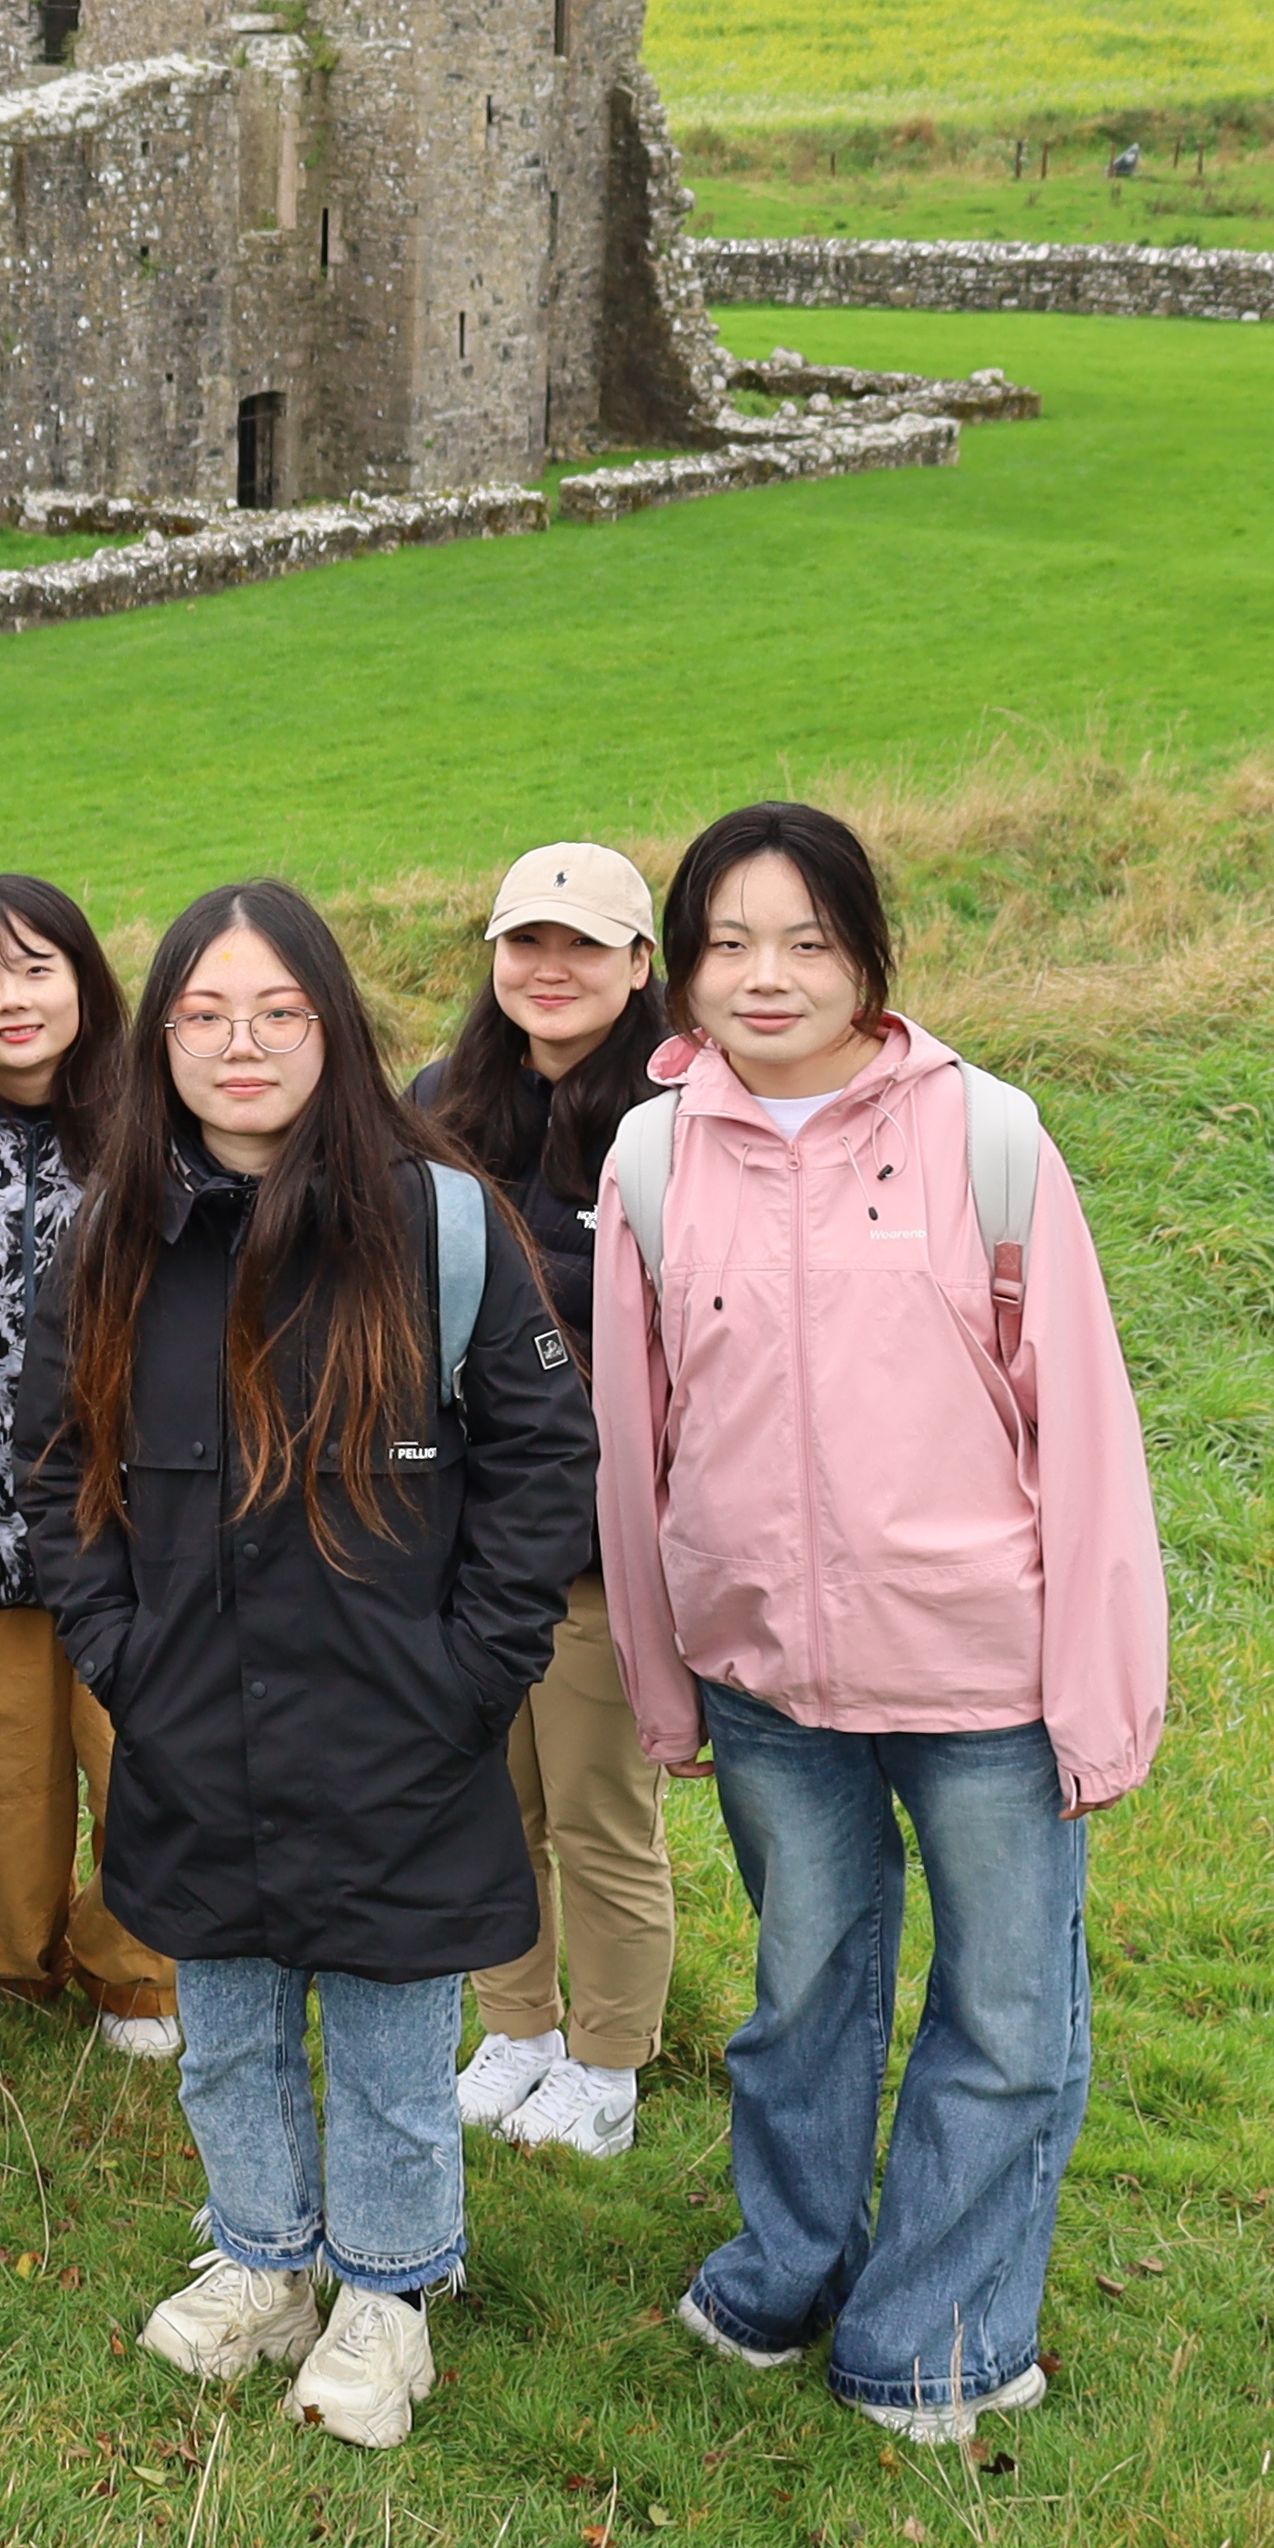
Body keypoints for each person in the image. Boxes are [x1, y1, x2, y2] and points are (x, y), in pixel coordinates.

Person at [595, 801, 1165, 2449]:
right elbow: (639, 1446)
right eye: (728, 943)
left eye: (809, 942)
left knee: (1002, 2011)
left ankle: (934, 2337)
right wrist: (665, 1678)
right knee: (801, 1990)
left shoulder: (987, 1139)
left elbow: (1090, 1438)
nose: (766, 977)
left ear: (869, 961)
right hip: (767, 1671)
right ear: (682, 966)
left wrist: (1100, 1702)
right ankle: (789, 2268)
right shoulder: (649, 1161)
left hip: (979, 1671)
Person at [26, 881, 595, 2451]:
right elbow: (54, 1463)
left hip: (399, 1721)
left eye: (278, 1011)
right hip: (192, 1710)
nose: (242, 1044)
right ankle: (265, 2258)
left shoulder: (438, 1219)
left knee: (397, 2035)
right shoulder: (115, 1232)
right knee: (230, 2025)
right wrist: (123, 1654)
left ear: (333, 1028)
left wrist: (474, 1669)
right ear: (163, 1044)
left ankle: (390, 2292)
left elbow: (546, 1455)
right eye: (205, 1015)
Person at [403, 840, 682, 2165]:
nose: (550, 970)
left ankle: (609, 2063)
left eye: (584, 946)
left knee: (597, 1816)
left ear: (641, 966)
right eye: (527, 943)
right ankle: (515, 2028)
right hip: (455, 1543)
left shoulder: (677, 1128)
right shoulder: (440, 1102)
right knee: (482, 1801)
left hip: (591, 1551)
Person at [0, 875, 177, 2061]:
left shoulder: (156, 1125)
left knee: (143, 1749)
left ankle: (140, 1970)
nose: (13, 997)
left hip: (138, 1517)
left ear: (84, 983)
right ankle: (0, 1954)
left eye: (36, 967)